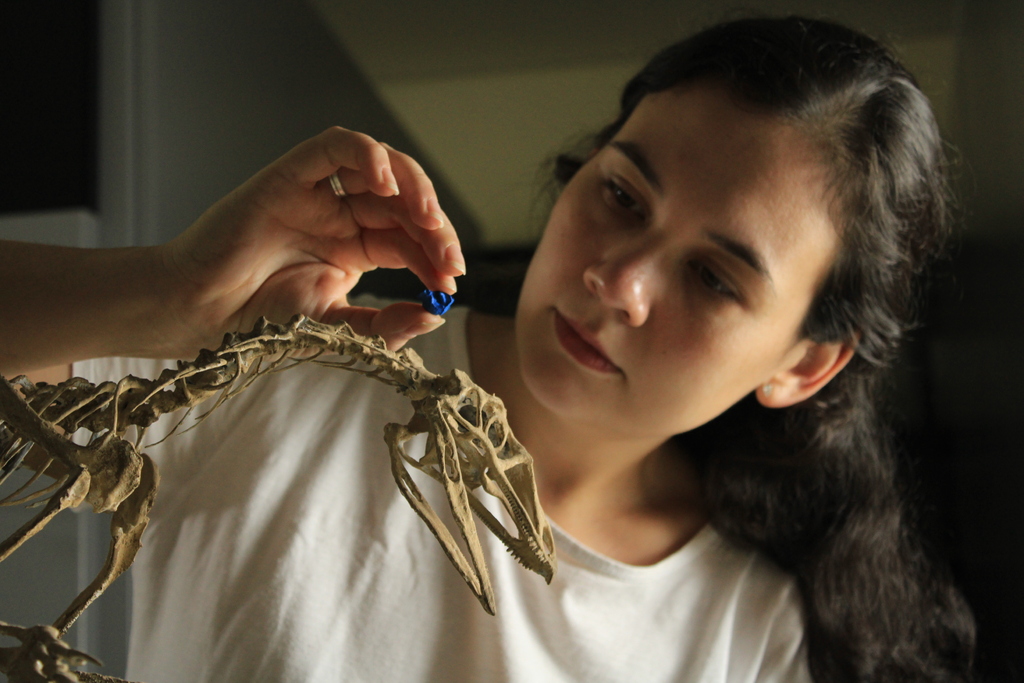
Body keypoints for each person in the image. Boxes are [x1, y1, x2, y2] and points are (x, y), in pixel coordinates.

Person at [0, 15, 976, 683]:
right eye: (621, 197)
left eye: (714, 279)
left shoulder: (749, 632)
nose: (618, 282)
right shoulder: (281, 368)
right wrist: (169, 293)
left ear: (801, 364)